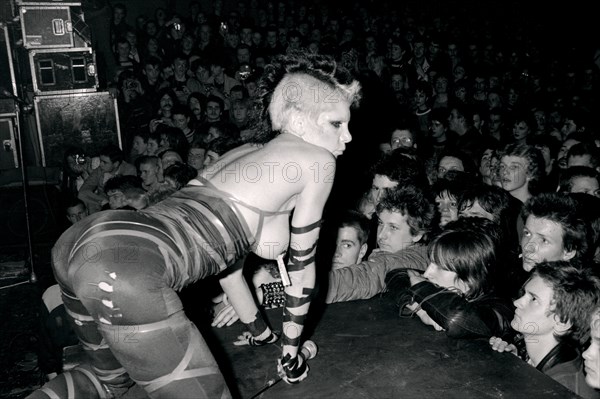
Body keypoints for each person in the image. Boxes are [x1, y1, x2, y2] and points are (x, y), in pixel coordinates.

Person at [32, 51, 361, 398]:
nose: (349, 137)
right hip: (126, 267)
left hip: (84, 242)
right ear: (297, 122)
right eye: (336, 123)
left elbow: (228, 266)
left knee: (108, 382)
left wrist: (260, 331)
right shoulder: (318, 161)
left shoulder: (248, 151)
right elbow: (303, 271)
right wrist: (291, 351)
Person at [385, 217, 515, 339]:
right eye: (431, 263)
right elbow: (396, 275)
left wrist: (421, 289)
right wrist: (422, 311)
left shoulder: (501, 309)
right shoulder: (456, 286)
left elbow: (458, 320)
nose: (427, 273)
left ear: (470, 278)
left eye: (440, 267)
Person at [490, 262, 600, 398]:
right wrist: (516, 365)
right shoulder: (551, 363)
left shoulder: (560, 388)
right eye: (524, 294)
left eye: (533, 299)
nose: (517, 302)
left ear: (561, 322)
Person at [325, 185, 435, 303]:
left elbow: (371, 276)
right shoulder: (391, 253)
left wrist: (313, 287)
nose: (381, 235)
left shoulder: (413, 260)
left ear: (417, 234)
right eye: (381, 223)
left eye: (393, 227)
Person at [78, 144, 136, 214]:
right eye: (100, 161)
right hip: (101, 203)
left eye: (105, 162)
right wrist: (103, 201)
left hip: (122, 206)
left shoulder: (129, 170)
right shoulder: (99, 170)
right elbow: (83, 192)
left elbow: (127, 196)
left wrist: (107, 203)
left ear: (116, 164)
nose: (101, 165)